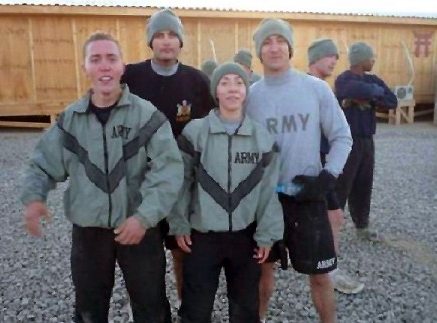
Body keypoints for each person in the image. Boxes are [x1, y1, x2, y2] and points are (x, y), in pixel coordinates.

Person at [21, 32, 184, 323]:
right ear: (85, 68)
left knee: (152, 309)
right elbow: (42, 165)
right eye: (95, 59)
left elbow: (169, 170)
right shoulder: (69, 121)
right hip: (89, 233)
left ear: (122, 67)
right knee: (89, 309)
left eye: (111, 58)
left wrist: (144, 218)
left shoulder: (147, 116)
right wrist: (34, 198)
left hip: (139, 229)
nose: (104, 66)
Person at [246, 19, 353, 323]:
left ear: (290, 47)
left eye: (281, 40)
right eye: (267, 42)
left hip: (308, 197)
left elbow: (342, 136)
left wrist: (328, 177)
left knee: (320, 275)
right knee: (263, 272)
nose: (275, 47)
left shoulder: (315, 89)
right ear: (259, 51)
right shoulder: (251, 96)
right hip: (266, 202)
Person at [168, 62, 284, 323]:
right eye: (225, 82)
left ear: (246, 91)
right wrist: (179, 223)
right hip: (202, 237)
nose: (232, 88)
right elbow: (181, 182)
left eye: (239, 82)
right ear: (215, 91)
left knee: (245, 309)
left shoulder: (262, 138)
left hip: (246, 237)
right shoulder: (195, 133)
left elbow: (268, 191)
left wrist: (267, 235)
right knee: (195, 310)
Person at [120, 8, 214, 312]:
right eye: (159, 35)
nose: (166, 41)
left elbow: (210, 133)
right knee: (146, 256)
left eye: (172, 35)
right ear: (150, 41)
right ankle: (151, 308)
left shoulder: (198, 82)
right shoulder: (130, 77)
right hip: (140, 183)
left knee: (182, 249)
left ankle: (184, 301)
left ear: (181, 41)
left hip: (181, 185)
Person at [307, 38, 365, 295]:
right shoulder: (308, 87)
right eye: (329, 56)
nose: (334, 61)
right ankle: (326, 271)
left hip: (324, 163)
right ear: (315, 58)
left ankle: (328, 269)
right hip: (311, 163)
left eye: (336, 57)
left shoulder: (323, 87)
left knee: (335, 215)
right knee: (330, 215)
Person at [334, 42, 397, 242]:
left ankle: (362, 225)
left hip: (367, 140)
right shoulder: (344, 79)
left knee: (364, 183)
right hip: (346, 142)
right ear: (361, 59)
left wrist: (366, 97)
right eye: (371, 57)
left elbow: (392, 101)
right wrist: (371, 94)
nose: (373, 60)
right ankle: (331, 225)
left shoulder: (373, 80)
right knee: (342, 183)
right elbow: (348, 90)